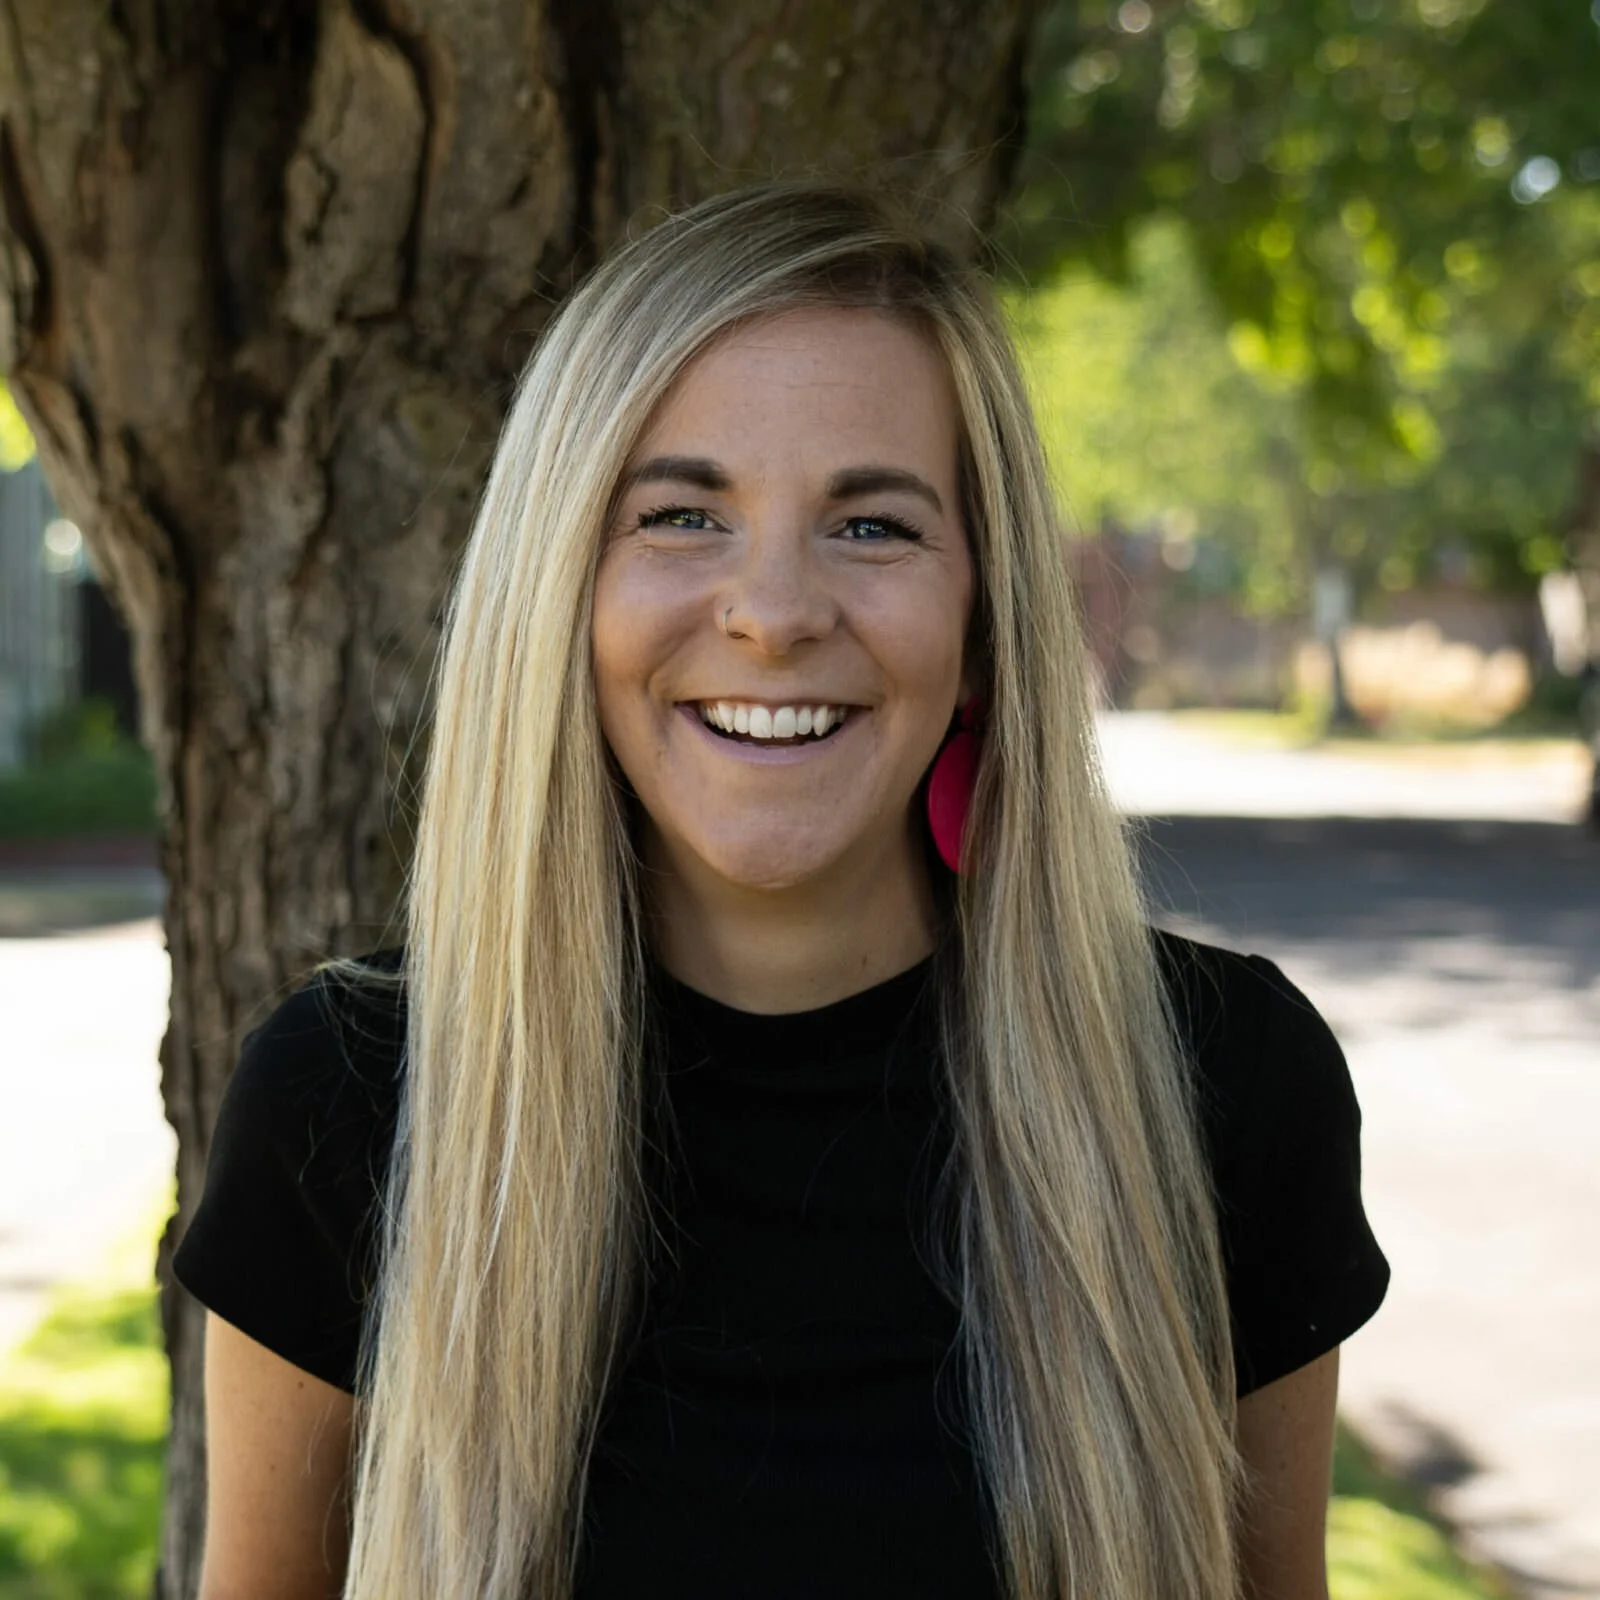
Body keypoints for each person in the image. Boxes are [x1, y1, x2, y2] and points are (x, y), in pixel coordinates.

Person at [173, 181, 1389, 1600]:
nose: (774, 610)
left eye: (873, 527)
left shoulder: (1223, 1087)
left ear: (984, 620)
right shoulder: (353, 1102)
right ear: (558, 589)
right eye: (682, 515)